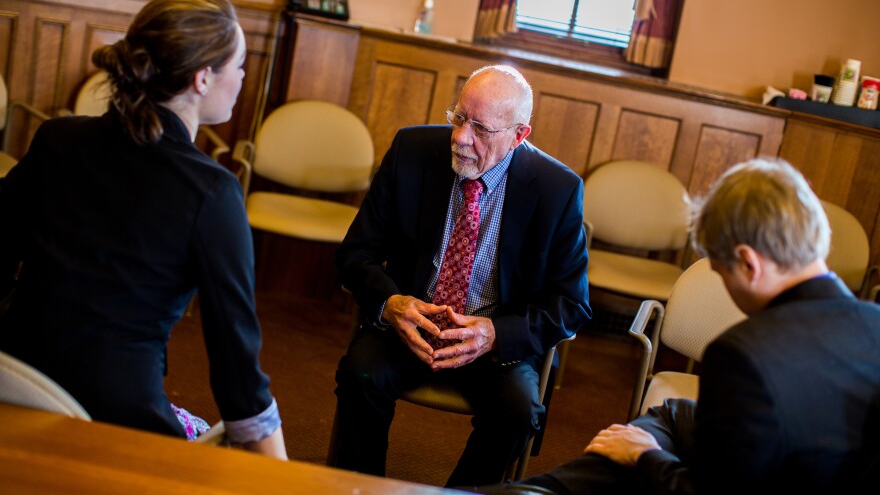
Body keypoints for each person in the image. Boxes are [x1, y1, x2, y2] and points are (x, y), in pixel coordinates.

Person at [474, 158, 880, 494]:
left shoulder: (744, 353)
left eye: (722, 274)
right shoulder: (874, 324)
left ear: (749, 264)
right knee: (669, 416)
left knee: (627, 454)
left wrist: (645, 457)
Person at [0, 0, 287, 459]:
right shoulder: (212, 192)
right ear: (201, 79)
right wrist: (283, 480)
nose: (241, 78)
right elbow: (237, 372)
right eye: (238, 66)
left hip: (16, 382)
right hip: (116, 421)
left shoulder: (57, 139)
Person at [332, 64, 591, 487]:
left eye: (480, 128)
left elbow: (571, 304)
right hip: (409, 325)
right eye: (458, 117)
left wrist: (494, 334)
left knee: (520, 410)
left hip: (495, 340)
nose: (460, 137)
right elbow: (355, 253)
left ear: (519, 135)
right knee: (360, 375)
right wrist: (391, 304)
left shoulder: (556, 189)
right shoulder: (412, 150)